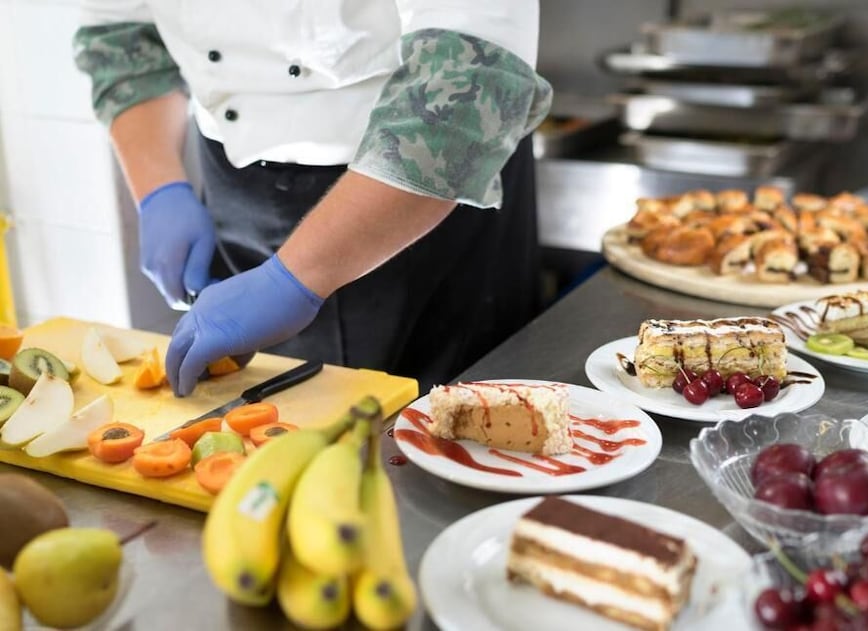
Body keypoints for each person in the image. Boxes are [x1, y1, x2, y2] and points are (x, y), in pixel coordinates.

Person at [73, 2, 552, 397]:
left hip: (427, 194)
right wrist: (160, 189)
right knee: (271, 430)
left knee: (457, 432)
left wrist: (291, 281)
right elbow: (122, 39)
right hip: (237, 191)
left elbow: (471, 76)